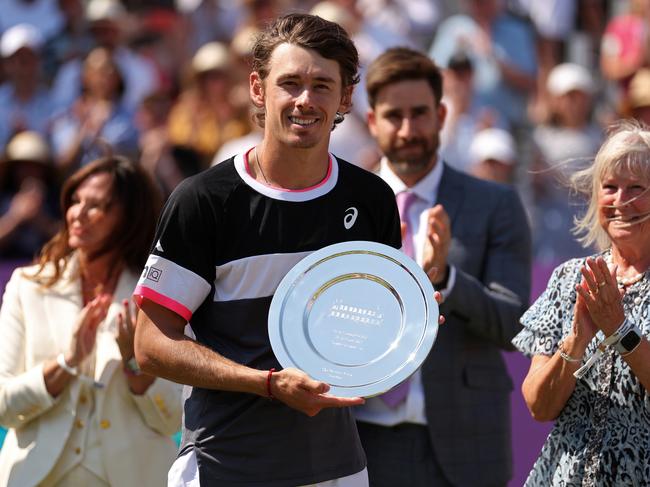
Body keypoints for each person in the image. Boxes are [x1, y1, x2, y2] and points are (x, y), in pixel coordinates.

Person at [133, 13, 412, 487]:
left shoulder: (372, 200)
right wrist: (266, 383)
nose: (305, 100)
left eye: (323, 85)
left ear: (346, 96)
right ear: (259, 90)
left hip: (339, 472)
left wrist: (408, 326)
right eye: (290, 83)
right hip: (223, 469)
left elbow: (368, 356)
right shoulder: (203, 201)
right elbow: (151, 345)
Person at [355, 46, 531, 487]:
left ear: (442, 114)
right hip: (358, 437)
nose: (409, 129)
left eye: (420, 113)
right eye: (395, 116)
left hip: (465, 442)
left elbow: (513, 325)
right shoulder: (343, 204)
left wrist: (444, 277)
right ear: (373, 121)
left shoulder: (496, 204)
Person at [0, 156, 182, 487]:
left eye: (96, 205)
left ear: (129, 219)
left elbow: (173, 420)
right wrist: (65, 364)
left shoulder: (158, 295)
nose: (77, 214)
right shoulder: (26, 286)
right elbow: (3, 404)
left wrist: (134, 362)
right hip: (35, 476)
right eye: (75, 201)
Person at [513, 121, 650, 485]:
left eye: (636, 188)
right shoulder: (569, 278)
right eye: (609, 188)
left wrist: (620, 331)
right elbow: (538, 406)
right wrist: (575, 340)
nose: (621, 201)